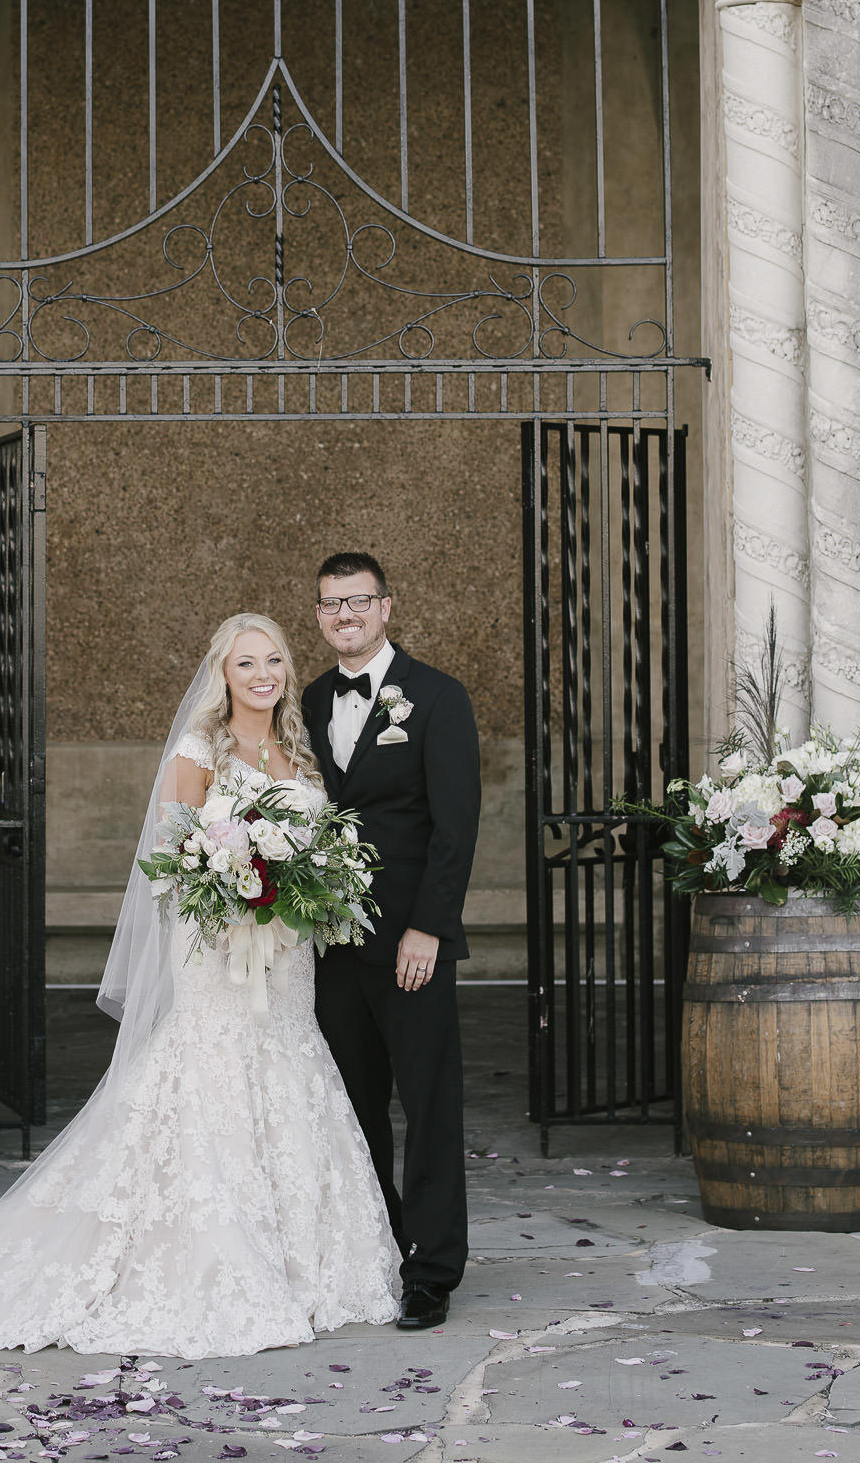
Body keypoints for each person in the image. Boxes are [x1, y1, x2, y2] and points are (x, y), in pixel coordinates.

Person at [0, 613, 399, 1356]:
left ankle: (303, 1260)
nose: (262, 674)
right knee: (211, 1072)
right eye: (246, 664)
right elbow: (174, 859)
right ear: (222, 675)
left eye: (273, 660)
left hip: (286, 955)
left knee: (286, 1061)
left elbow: (319, 845)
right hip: (216, 950)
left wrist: (302, 888)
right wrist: (235, 891)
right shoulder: (198, 748)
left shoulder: (297, 752)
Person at [303, 554, 481, 1331]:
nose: (343, 616)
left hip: (410, 942)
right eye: (329, 605)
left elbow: (455, 826)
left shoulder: (437, 697)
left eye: (357, 602)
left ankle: (433, 1271)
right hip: (326, 946)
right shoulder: (307, 700)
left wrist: (427, 928)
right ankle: (378, 1247)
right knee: (351, 1106)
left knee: (428, 1103)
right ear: (318, 615)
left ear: (385, 608)